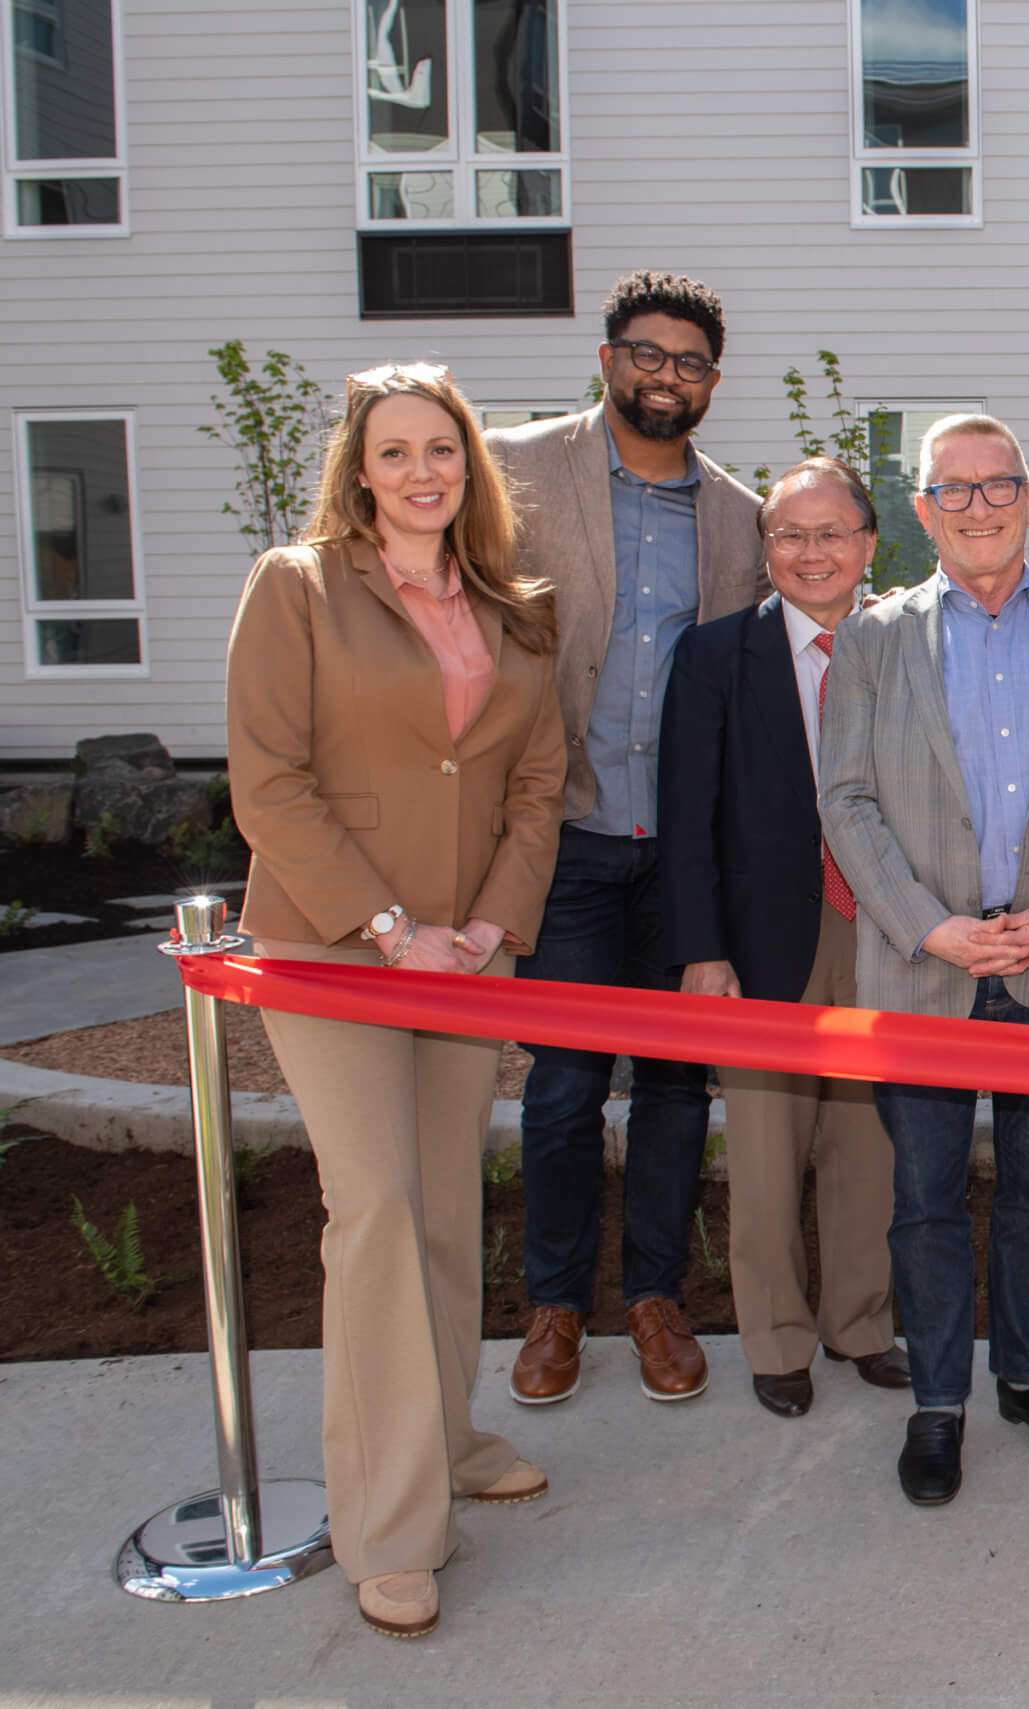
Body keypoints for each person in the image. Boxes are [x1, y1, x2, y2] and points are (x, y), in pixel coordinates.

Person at [226, 362, 565, 1639]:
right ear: (359, 468)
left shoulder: (514, 607)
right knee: (369, 1213)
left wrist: (487, 923)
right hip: (333, 948)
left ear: (470, 466)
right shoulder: (297, 586)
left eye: (444, 449)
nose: (422, 471)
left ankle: (448, 1435)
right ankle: (386, 1524)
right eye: (396, 451)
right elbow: (270, 781)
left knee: (438, 1209)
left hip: (467, 955)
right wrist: (388, 926)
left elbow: (539, 780)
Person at [815, 413, 1029, 1507]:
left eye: (996, 483)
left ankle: (1028, 1371)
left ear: (1027, 494)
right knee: (922, 1195)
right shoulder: (871, 638)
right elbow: (848, 799)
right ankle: (940, 1399)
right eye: (951, 489)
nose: (977, 504)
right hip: (925, 962)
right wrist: (926, 923)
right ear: (920, 511)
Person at [489, 271, 766, 1409]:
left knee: (673, 1087)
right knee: (559, 1089)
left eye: (690, 362)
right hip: (566, 836)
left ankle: (655, 1294)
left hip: (683, 854)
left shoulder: (739, 518)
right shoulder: (515, 470)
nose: (667, 376)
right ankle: (554, 1304)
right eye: (647, 355)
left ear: (711, 381)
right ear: (607, 359)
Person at [657, 457, 909, 1419]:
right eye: (790, 536)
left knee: (869, 1147)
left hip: (882, 933)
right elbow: (685, 816)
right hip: (759, 945)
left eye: (832, 532)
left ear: (869, 542)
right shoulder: (716, 655)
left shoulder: (905, 644)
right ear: (766, 550)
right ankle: (775, 1339)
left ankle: (861, 1325)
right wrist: (701, 949)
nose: (812, 553)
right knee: (763, 1156)